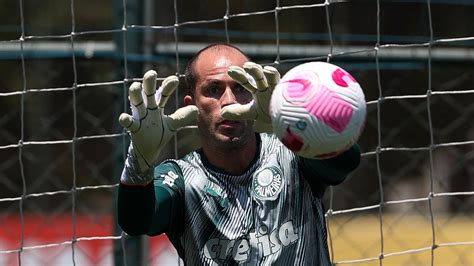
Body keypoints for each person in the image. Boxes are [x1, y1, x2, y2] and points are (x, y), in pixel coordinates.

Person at [117, 43, 361, 265]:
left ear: (256, 94)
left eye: (241, 88)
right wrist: (139, 160)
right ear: (191, 105)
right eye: (213, 89)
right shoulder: (181, 178)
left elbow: (344, 164)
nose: (229, 101)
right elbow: (137, 221)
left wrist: (285, 121)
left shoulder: (293, 154)